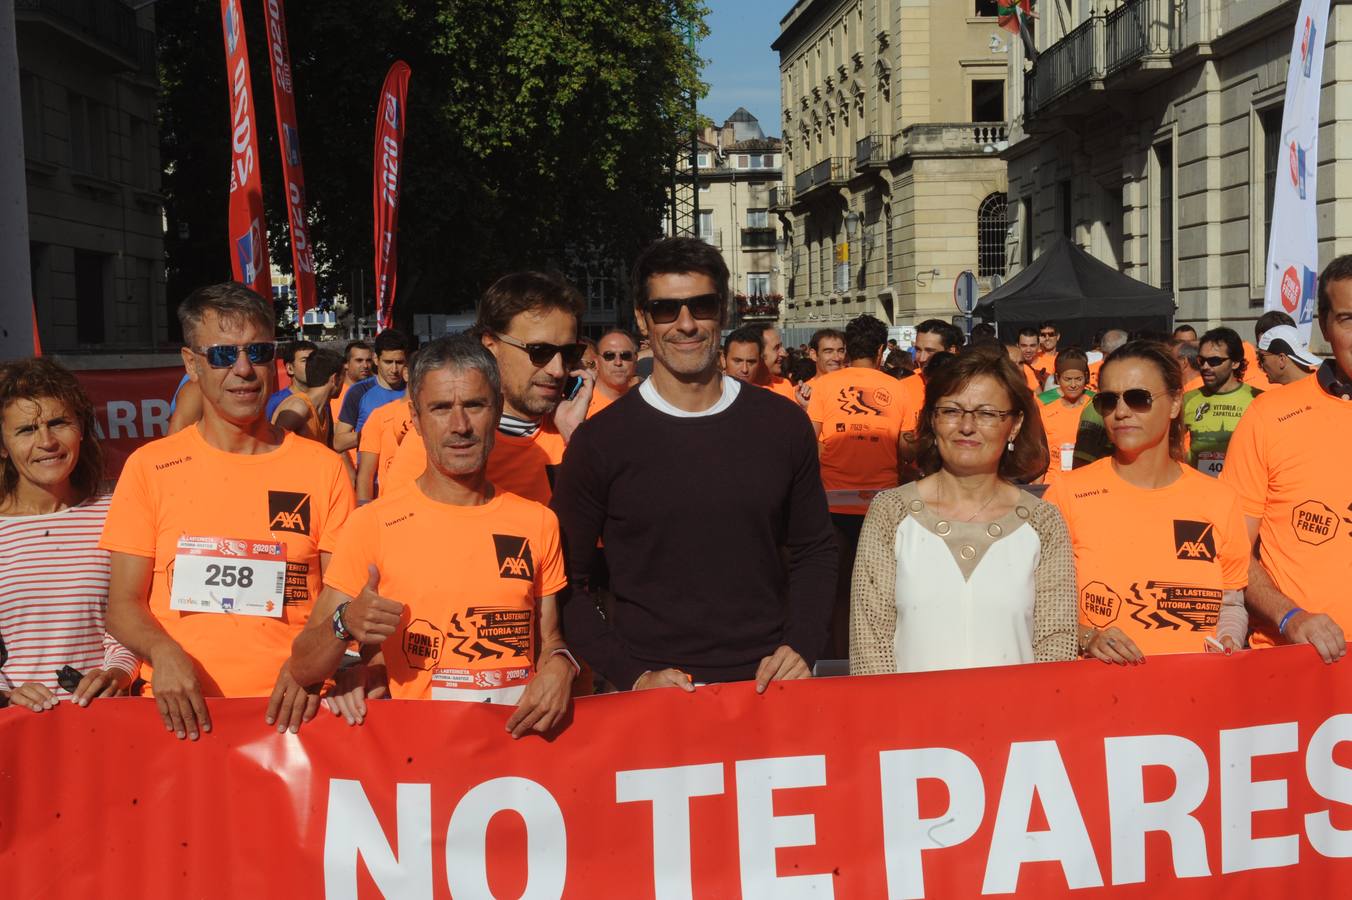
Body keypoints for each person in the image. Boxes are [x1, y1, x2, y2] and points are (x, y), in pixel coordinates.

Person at [552, 236, 836, 691]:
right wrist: (632, 674)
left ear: (723, 311)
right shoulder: (601, 441)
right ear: (643, 319)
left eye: (701, 306)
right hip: (651, 695)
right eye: (666, 309)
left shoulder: (781, 423)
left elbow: (815, 549)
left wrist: (802, 644)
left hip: (767, 685)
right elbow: (564, 580)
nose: (685, 324)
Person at [101, 283, 355, 740]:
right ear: (191, 364)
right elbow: (121, 607)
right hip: (175, 714)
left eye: (257, 352)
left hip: (295, 715)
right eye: (222, 355)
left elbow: (339, 596)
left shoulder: (323, 468)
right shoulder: (150, 467)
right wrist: (163, 651)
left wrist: (305, 670)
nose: (243, 370)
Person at [288, 337, 574, 736]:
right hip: (416, 759)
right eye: (441, 408)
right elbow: (301, 665)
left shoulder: (538, 522)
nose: (460, 426)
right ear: (416, 420)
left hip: (512, 757)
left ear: (495, 411)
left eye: (474, 405)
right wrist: (345, 622)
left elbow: (551, 640)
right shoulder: (372, 524)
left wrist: (562, 663)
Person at [850, 344, 1075, 674]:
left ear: (1013, 425)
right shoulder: (890, 513)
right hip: (913, 721)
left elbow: (1055, 642)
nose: (967, 427)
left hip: (1014, 720)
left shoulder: (1043, 522)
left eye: (986, 414)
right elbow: (871, 644)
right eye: (952, 411)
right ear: (933, 419)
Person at [1048, 341, 1249, 663]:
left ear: (1174, 404)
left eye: (1138, 399)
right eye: (1108, 401)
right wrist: (1087, 637)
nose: (1121, 412)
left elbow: (1230, 603)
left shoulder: (1219, 500)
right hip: (1098, 697)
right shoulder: (1066, 494)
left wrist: (1229, 638)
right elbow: (1038, 606)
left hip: (1194, 696)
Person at [1221, 255, 1352, 662]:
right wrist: (1289, 617)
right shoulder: (1270, 415)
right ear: (1325, 328)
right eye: (1349, 319)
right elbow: (1231, 548)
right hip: (1299, 666)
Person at [383, 272, 593, 504]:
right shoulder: (440, 443)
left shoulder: (581, 431)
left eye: (569, 353)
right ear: (491, 346)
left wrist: (576, 437)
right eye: (540, 351)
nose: (558, 369)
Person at [0, 359, 138, 712]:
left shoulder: (118, 511)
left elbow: (136, 615)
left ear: (81, 429)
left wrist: (116, 674)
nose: (47, 442)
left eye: (58, 422)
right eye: (26, 430)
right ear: (3, 446)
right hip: (14, 736)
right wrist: (6, 694)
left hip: (104, 726)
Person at [806, 314, 912, 658]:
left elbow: (812, 442)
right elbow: (906, 449)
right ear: (881, 350)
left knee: (837, 593)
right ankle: (875, 659)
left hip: (831, 502)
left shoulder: (823, 386)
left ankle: (838, 662)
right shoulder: (899, 389)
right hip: (882, 505)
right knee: (880, 593)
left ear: (848, 349)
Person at [1182, 326, 1262, 476]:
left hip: (1241, 492)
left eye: (1214, 361)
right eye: (1201, 360)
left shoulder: (1258, 400)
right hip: (1200, 492)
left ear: (1235, 363)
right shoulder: (1188, 399)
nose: (1205, 367)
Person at [334, 329, 412, 453]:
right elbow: (339, 442)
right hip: (372, 470)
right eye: (388, 362)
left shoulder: (414, 390)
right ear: (376, 359)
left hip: (405, 469)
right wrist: (376, 432)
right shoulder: (359, 392)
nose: (394, 369)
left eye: (399, 362)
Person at [355, 351, 414, 503]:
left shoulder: (439, 417)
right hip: (390, 509)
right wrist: (364, 511)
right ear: (406, 374)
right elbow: (365, 475)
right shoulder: (380, 416)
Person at [1038, 349, 1092, 487]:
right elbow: (1039, 455)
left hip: (1088, 483)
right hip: (1054, 484)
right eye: (1067, 379)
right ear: (1057, 378)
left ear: (1086, 377)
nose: (1073, 385)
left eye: (1078, 379)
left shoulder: (1095, 406)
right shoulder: (1046, 411)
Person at [898, 319, 962, 431]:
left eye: (930, 351)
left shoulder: (970, 386)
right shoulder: (902, 388)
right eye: (918, 350)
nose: (921, 358)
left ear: (951, 351)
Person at [273, 347, 343, 446]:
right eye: (343, 377)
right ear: (335, 379)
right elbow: (275, 447)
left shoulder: (323, 411)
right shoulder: (298, 407)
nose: (343, 384)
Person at [588, 329, 638, 417]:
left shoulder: (645, 403)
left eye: (625, 356)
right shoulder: (581, 404)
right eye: (609, 356)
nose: (618, 362)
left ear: (635, 359)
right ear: (596, 362)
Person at [265, 340, 318, 421]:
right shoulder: (275, 402)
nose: (311, 364)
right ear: (290, 368)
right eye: (304, 360)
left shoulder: (323, 399)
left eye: (314, 360)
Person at [751, 323, 798, 402]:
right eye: (776, 348)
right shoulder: (739, 390)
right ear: (757, 352)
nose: (783, 353)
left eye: (781, 346)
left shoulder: (785, 385)